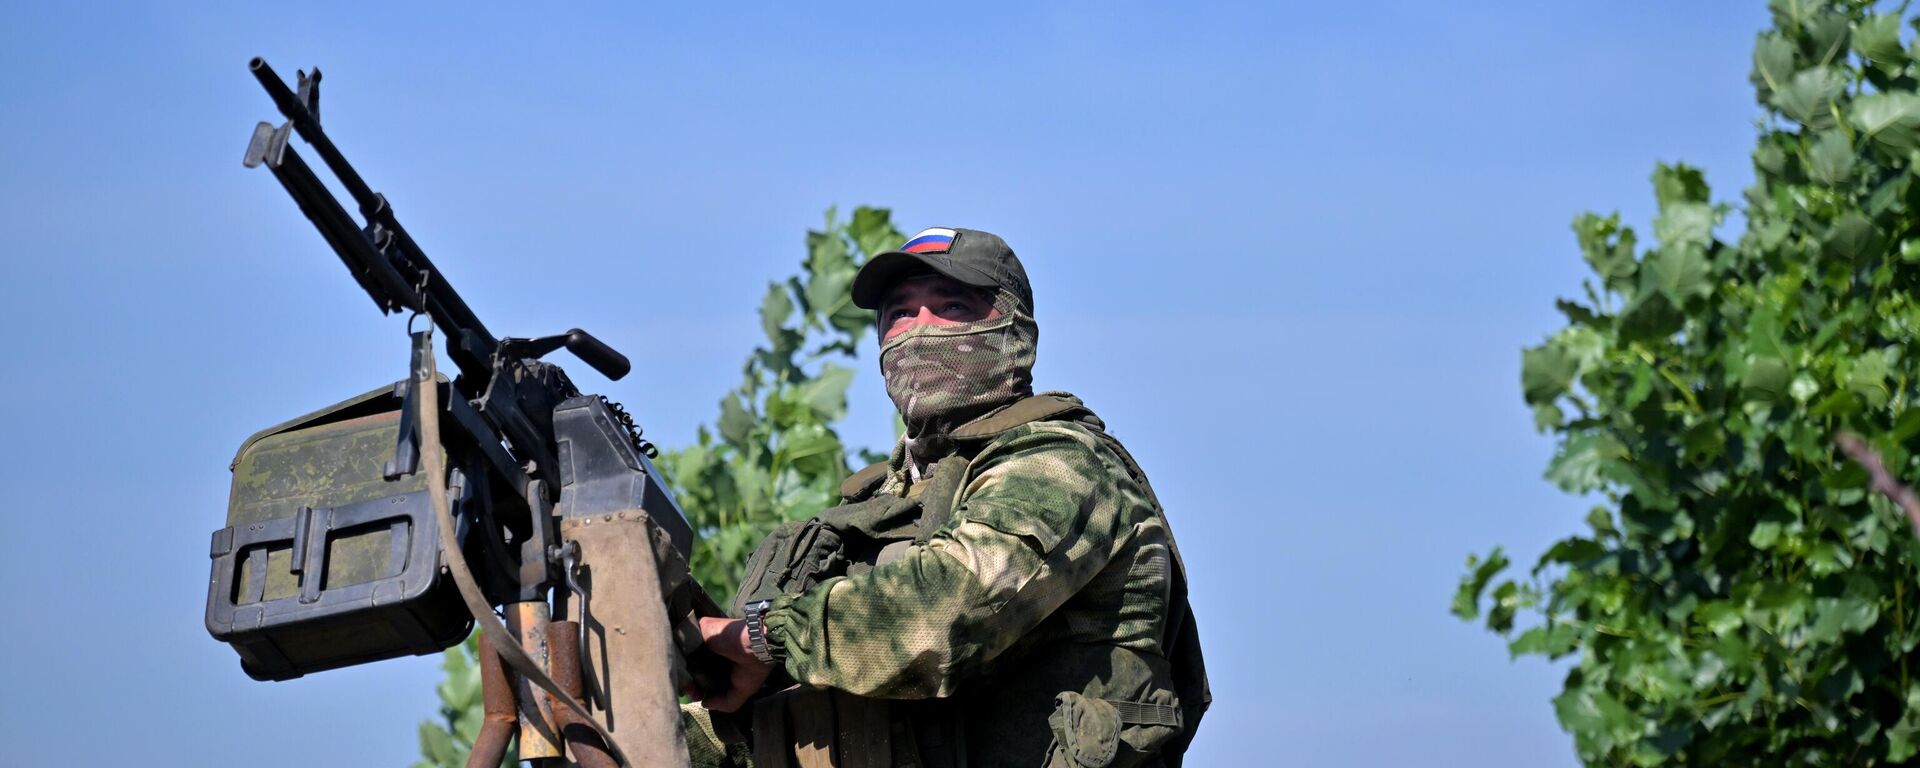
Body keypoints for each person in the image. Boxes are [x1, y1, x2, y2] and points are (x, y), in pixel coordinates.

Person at [685, 227, 1207, 768]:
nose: (918, 331)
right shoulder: (878, 505)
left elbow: (943, 613)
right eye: (900, 314)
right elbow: (771, 717)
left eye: (951, 306)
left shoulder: (1060, 464)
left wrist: (764, 635)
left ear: (1015, 333)